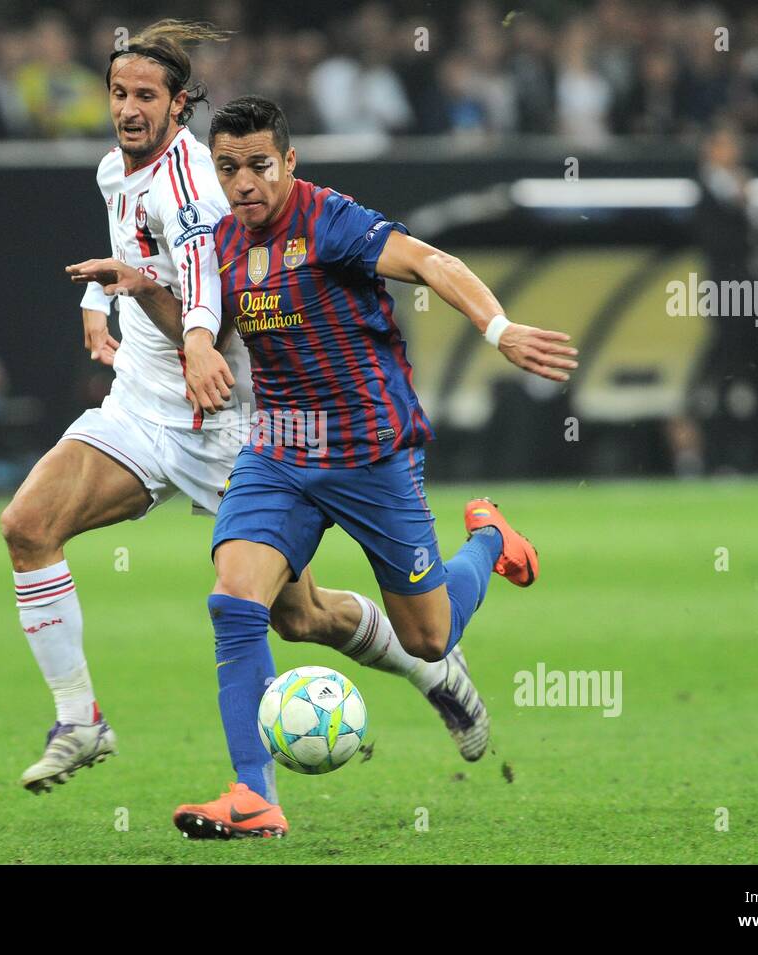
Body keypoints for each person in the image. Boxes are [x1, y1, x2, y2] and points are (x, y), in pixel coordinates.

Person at [4, 21, 492, 796]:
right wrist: (102, 294)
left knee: (299, 619)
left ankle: (428, 663)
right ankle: (84, 720)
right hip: (141, 405)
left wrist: (196, 343)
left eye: (145, 98)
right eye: (119, 94)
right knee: (27, 525)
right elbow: (141, 255)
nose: (129, 110)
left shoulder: (203, 183)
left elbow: (204, 291)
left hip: (228, 416)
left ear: (179, 107)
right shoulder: (113, 170)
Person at [171, 96, 578, 838]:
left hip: (369, 449)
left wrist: (500, 327)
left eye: (259, 166)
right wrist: (174, 326)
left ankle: (489, 539)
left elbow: (429, 261)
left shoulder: (329, 219)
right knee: (243, 605)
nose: (244, 184)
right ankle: (253, 795)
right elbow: (203, 320)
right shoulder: (222, 242)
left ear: (289, 162)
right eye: (228, 168)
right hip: (279, 450)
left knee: (428, 635)